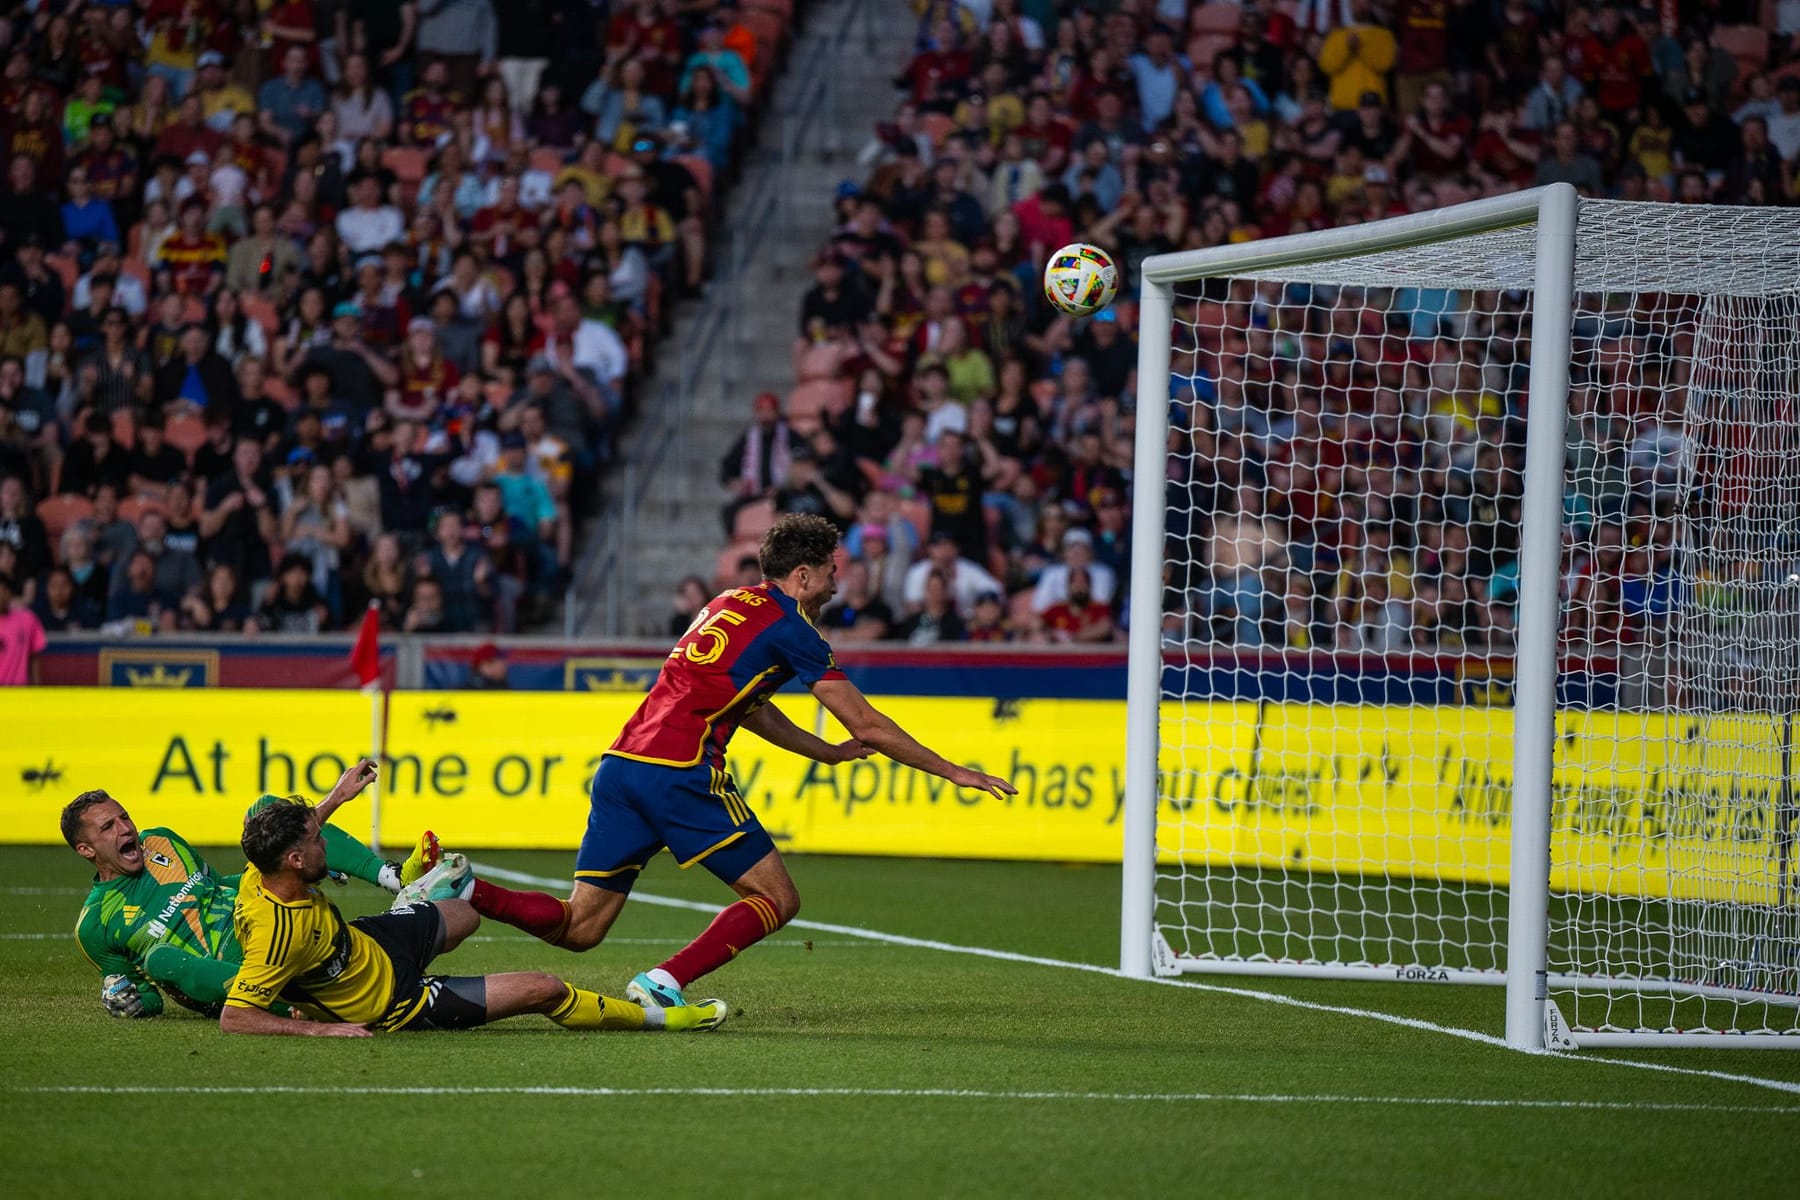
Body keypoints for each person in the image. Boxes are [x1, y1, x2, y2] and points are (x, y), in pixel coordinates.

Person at [436, 514, 1014, 1009]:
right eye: (834, 569)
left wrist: (826, 753)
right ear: (804, 574)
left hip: (622, 765)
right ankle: (664, 982)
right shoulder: (796, 630)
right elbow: (867, 723)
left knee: (580, 927)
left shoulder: (726, 603)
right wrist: (957, 772)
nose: (840, 579)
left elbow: (752, 710)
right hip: (681, 771)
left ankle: (465, 890)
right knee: (777, 899)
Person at [224, 798, 727, 1036]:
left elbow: (300, 836)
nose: (325, 846)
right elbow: (235, 1016)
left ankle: (409, 904)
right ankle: (665, 1018)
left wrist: (335, 797)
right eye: (316, 842)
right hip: (395, 1001)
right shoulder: (277, 934)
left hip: (369, 943)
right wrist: (322, 1030)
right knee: (544, 988)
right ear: (294, 861)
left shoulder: (261, 871)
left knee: (464, 913)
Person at [64, 760, 436, 1020]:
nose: (125, 829)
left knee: (263, 810)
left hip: (258, 922)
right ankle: (284, 1010)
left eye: (124, 817)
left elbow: (218, 885)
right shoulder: (95, 925)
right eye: (108, 827)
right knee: (159, 958)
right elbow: (148, 995)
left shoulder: (161, 841)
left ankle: (396, 879)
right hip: (232, 973)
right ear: (86, 850)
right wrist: (129, 1002)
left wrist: (301, 852)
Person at [0, 569, 44, 684]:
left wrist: (37, 691)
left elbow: (34, 658)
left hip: (20, 694)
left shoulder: (27, 619)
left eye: (4, 590)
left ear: (10, 593)